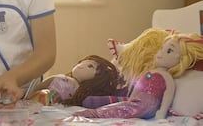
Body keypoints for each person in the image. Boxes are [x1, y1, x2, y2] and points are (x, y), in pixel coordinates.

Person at [73, 33, 203, 119]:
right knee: (122, 107)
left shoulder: (167, 77)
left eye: (169, 50)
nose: (161, 53)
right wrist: (130, 99)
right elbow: (137, 88)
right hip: (136, 101)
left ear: (179, 58)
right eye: (162, 48)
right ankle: (94, 113)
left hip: (149, 104)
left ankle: (95, 114)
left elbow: (168, 95)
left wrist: (162, 112)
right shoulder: (150, 72)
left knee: (125, 110)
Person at [28, 55, 119, 106]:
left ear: (98, 79)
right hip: (39, 100)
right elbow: (41, 86)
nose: (81, 65)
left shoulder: (82, 92)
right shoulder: (61, 78)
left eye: (90, 66)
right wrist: (29, 95)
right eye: (81, 62)